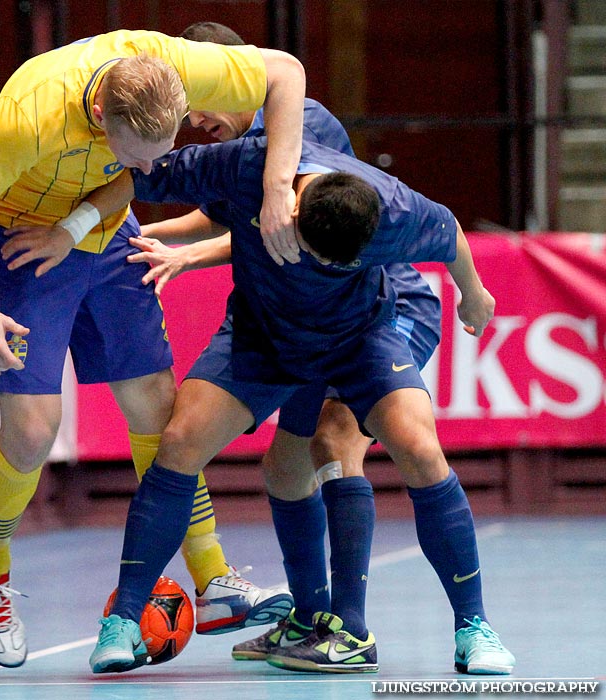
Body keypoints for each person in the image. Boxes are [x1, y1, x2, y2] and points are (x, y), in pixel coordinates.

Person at [0, 29, 305, 668]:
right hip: (17, 240)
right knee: (30, 433)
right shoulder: (29, 117)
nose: (155, 169)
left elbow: (286, 72)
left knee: (162, 412)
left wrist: (276, 187)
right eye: (140, 154)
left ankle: (212, 580)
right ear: (100, 115)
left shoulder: (175, 65)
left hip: (98, 234)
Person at [82, 135, 515, 676]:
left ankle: (474, 627)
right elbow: (137, 173)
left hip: (358, 336)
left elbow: (448, 231)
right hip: (264, 337)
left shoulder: (393, 209)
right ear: (289, 211)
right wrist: (72, 228)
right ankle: (124, 619)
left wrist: (471, 293)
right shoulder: (242, 166)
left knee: (420, 449)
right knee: (179, 441)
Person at [144, 21, 472, 672]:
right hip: (314, 312)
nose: (192, 118)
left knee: (336, 437)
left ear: (230, 71)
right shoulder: (242, 144)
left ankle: (351, 631)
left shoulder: (304, 121)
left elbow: (294, 230)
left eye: (195, 98)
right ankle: (309, 617)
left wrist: (185, 255)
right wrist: (174, 242)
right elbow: (237, 215)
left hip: (383, 304)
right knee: (284, 468)